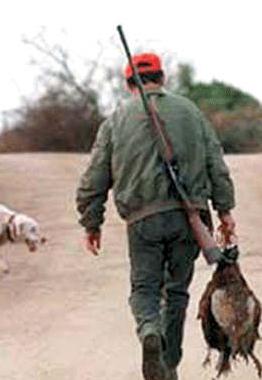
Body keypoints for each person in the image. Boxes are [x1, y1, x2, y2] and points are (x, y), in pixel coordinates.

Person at [76, 52, 236, 380]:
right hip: (187, 218)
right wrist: (225, 211)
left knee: (145, 289)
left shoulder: (116, 118)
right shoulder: (191, 112)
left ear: (128, 83)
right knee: (176, 292)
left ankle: (150, 331)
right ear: (162, 78)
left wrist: (92, 222)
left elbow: (95, 176)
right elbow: (216, 164)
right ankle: (170, 361)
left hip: (142, 220)